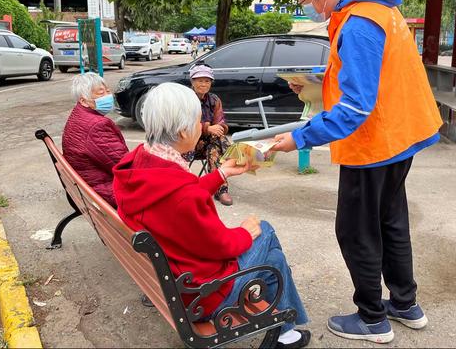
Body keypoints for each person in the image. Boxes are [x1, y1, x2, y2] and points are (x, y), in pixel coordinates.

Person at [272, 0, 443, 344]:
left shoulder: (359, 23)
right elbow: (369, 78)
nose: (305, 6)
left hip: (375, 144)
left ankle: (372, 318)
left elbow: (355, 107)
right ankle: (405, 304)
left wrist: (299, 138)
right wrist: (317, 84)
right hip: (400, 135)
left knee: (355, 230)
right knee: (391, 220)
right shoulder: (375, 10)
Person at [113, 83, 310, 349]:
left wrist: (221, 174)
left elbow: (177, 197)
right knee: (266, 231)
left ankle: (286, 332)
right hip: (201, 295)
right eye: (199, 121)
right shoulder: (182, 193)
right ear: (184, 131)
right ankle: (287, 328)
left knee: (273, 259)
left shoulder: (136, 164)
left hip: (172, 276)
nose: (201, 125)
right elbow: (220, 246)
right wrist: (246, 232)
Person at [62, 72, 128, 208]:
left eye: (108, 91)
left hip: (90, 186)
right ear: (83, 101)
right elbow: (124, 166)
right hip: (105, 191)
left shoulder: (79, 115)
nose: (108, 96)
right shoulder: (97, 126)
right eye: (100, 93)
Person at [183, 64, 233, 206]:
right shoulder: (185, 99)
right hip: (187, 145)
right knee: (217, 141)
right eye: (200, 80)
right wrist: (207, 128)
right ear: (192, 81)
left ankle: (221, 190)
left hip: (208, 144)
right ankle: (234, 157)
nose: (203, 84)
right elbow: (183, 126)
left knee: (215, 145)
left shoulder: (214, 100)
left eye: (207, 81)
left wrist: (219, 128)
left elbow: (221, 121)